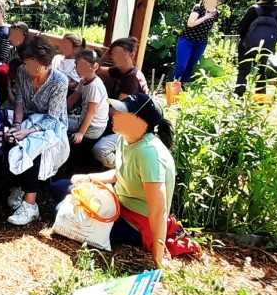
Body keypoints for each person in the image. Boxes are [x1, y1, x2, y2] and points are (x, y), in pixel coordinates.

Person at [50, 94, 196, 267]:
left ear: (140, 122)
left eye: (122, 113)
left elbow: (158, 211)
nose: (113, 114)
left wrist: (158, 260)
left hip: (137, 222)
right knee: (59, 187)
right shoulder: (124, 139)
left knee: (60, 211)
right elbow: (120, 174)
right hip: (119, 202)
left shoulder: (149, 153)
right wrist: (87, 178)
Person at [5, 36, 70, 226]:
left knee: (33, 148)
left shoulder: (59, 81)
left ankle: (30, 204)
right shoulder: (22, 72)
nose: (30, 70)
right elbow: (19, 101)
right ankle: (18, 185)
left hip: (51, 124)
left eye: (35, 66)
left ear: (46, 63)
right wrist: (17, 125)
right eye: (27, 64)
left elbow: (53, 118)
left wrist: (27, 131)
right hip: (27, 118)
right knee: (8, 136)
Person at [91, 37, 149, 169]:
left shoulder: (132, 78)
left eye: (118, 54)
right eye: (113, 53)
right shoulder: (119, 70)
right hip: (118, 123)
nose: (114, 57)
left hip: (133, 128)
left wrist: (96, 110)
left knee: (100, 150)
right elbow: (97, 69)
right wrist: (105, 55)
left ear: (132, 55)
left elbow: (118, 110)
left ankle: (125, 170)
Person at [234, 0, 277, 97]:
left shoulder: (254, 9)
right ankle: (260, 99)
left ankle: (238, 96)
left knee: (243, 71)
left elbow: (241, 28)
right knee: (261, 71)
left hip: (247, 45)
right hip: (266, 46)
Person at [171, 0, 223, 83]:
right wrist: (206, 17)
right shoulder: (198, 7)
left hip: (201, 43)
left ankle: (182, 85)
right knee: (182, 65)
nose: (215, 0)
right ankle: (173, 85)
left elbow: (210, 27)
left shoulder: (216, 13)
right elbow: (190, 23)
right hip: (187, 40)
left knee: (191, 65)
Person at [67, 49, 109, 145]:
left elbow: (91, 112)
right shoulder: (83, 81)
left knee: (59, 124)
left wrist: (81, 133)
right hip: (83, 119)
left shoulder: (94, 86)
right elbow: (72, 99)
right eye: (78, 65)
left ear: (95, 67)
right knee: (58, 118)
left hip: (94, 127)